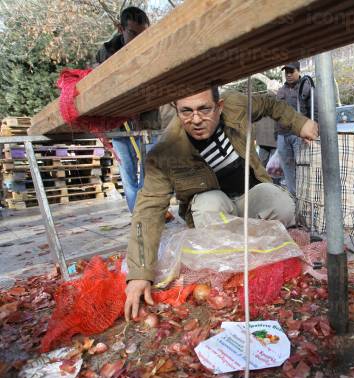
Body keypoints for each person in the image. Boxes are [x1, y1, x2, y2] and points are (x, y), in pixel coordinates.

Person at [123, 87, 319, 320]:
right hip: (214, 207)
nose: (196, 119)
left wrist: (299, 122)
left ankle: (255, 250)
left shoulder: (236, 104)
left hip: (249, 196)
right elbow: (149, 208)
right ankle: (235, 261)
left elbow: (269, 103)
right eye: (186, 111)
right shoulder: (165, 152)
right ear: (176, 109)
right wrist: (139, 273)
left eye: (204, 109)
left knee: (281, 203)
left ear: (220, 106)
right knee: (208, 204)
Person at [95, 7, 162, 214]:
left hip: (148, 119)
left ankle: (148, 210)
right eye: (132, 33)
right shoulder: (105, 53)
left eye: (142, 35)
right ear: (120, 28)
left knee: (151, 170)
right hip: (118, 122)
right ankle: (138, 216)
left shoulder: (153, 49)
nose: (137, 40)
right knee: (128, 172)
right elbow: (97, 87)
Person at [275, 61, 315, 195]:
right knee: (288, 168)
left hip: (299, 135)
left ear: (298, 71)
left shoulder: (306, 88)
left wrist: (313, 132)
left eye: (291, 71)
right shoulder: (281, 91)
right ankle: (294, 197)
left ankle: (306, 196)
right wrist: (276, 135)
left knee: (303, 166)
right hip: (283, 135)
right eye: (286, 72)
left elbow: (314, 111)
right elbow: (276, 113)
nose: (288, 75)